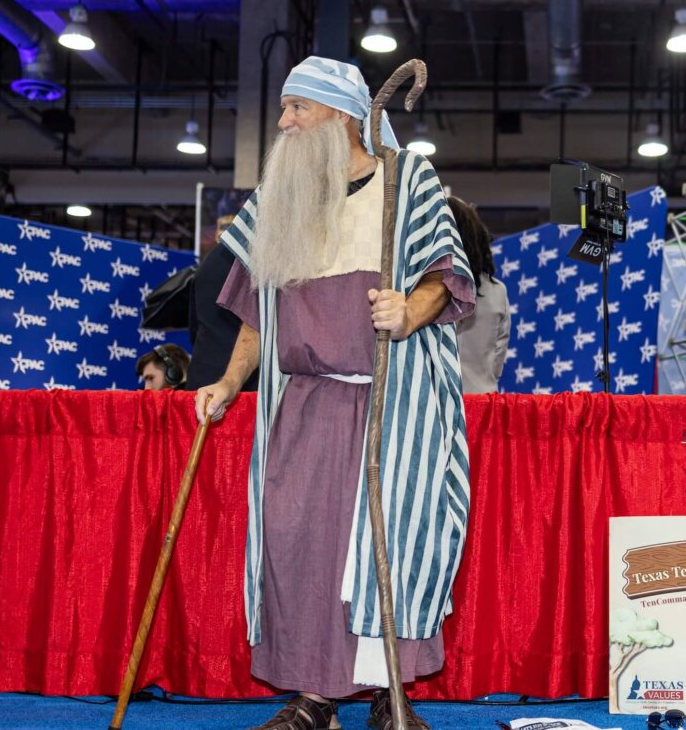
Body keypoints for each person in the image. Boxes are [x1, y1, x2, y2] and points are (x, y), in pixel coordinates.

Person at [193, 56, 475, 730]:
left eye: (298, 108)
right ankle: (315, 697)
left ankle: (388, 692)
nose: (284, 123)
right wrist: (229, 381)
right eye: (284, 108)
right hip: (305, 405)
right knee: (301, 545)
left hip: (393, 407)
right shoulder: (281, 198)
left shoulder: (408, 182)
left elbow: (444, 277)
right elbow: (259, 312)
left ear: (342, 115)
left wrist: (409, 310)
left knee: (392, 545)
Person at [185, 214, 258, 392]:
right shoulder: (261, 264)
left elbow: (194, 328)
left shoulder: (208, 262)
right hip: (243, 386)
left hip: (201, 381)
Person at [447, 196, 511, 394]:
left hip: (440, 403)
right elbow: (496, 365)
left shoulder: (424, 292)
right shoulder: (498, 291)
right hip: (484, 399)